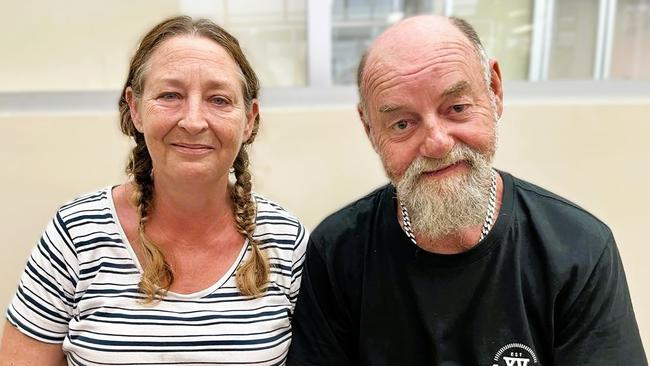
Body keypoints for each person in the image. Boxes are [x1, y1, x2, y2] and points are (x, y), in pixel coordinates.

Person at [287, 15, 647, 366]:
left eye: (456, 108)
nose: (437, 143)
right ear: (370, 130)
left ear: (494, 91)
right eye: (402, 123)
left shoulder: (578, 249)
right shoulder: (337, 253)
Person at [0, 16, 307, 365]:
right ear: (135, 109)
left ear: (249, 119)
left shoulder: (285, 241)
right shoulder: (76, 233)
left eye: (219, 99)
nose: (193, 121)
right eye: (170, 95)